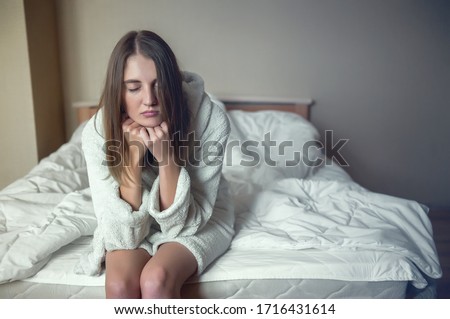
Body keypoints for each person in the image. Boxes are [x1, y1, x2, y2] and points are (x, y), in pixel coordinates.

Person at [75, 30, 235, 299]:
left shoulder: (209, 119)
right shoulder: (97, 133)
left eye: (159, 85)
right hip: (131, 219)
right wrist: (133, 158)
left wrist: (166, 156)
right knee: (119, 286)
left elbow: (183, 228)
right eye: (134, 87)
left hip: (200, 217)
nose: (149, 99)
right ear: (119, 91)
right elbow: (121, 236)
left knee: (156, 280)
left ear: (172, 84)